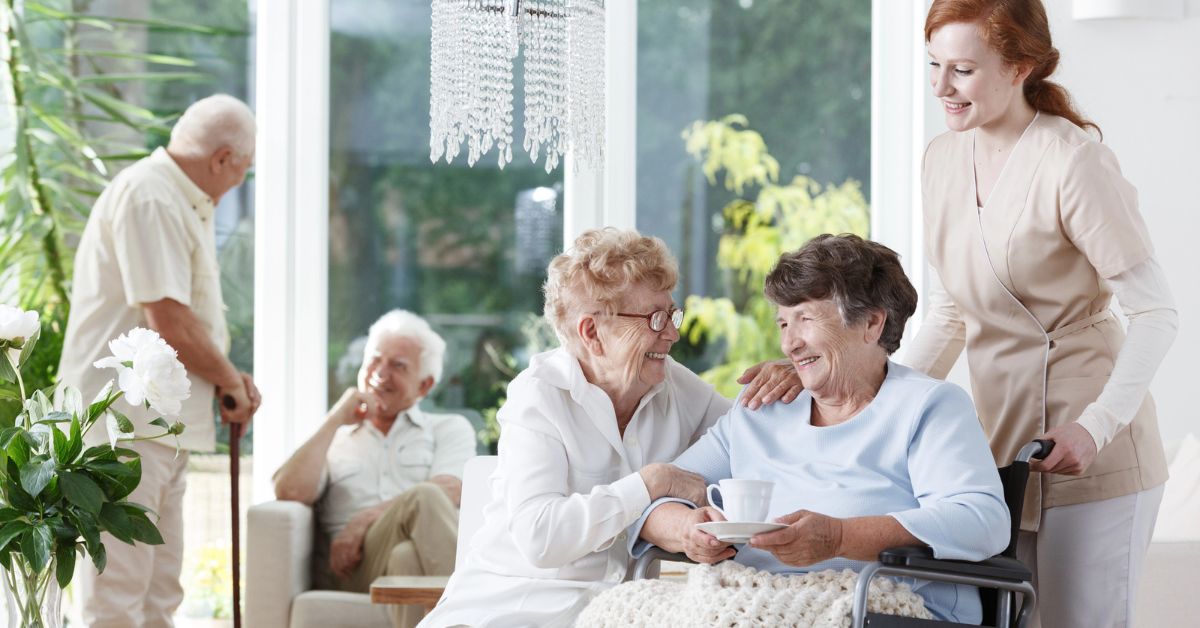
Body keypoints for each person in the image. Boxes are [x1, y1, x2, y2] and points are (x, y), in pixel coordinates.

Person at [911, 2, 1176, 626]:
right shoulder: (941, 159)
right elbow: (950, 311)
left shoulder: (1073, 162)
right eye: (934, 65)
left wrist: (1096, 426)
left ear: (1020, 67)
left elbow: (1156, 312)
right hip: (1000, 447)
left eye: (962, 70)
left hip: (1092, 446)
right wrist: (877, 404)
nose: (941, 86)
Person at [637, 234, 1009, 624]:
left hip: (886, 608)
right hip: (755, 602)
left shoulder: (929, 407)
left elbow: (981, 519)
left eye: (805, 319)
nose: (789, 344)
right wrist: (686, 529)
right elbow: (655, 499)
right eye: (783, 323)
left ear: (871, 323)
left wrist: (839, 538)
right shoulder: (761, 408)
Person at [417, 228, 738, 628]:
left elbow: (749, 436)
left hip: (613, 613)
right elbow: (541, 537)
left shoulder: (676, 387)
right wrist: (651, 483)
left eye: (672, 315)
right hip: (506, 607)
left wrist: (788, 380)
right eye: (655, 319)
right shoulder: (538, 396)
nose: (672, 333)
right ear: (592, 333)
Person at [58, 94, 260, 628]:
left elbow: (180, 320)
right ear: (222, 159)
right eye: (244, 168)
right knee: (118, 598)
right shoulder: (151, 196)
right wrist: (229, 380)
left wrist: (227, 378)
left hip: (155, 428)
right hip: (125, 428)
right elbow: (168, 318)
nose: (241, 179)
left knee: (159, 594)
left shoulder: (177, 199)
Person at [273, 309, 475, 628]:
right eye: (374, 361)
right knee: (423, 496)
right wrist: (336, 418)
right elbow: (289, 491)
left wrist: (364, 520)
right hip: (352, 568)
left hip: (413, 560)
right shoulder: (332, 437)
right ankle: (481, 609)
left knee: (405, 556)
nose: (381, 373)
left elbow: (451, 487)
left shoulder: (448, 428)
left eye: (398, 366)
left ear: (424, 385)